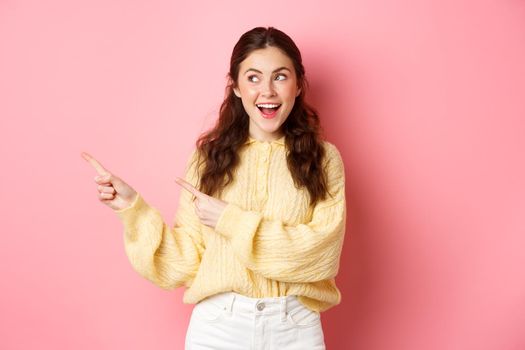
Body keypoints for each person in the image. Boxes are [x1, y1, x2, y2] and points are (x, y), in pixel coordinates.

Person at [81, 26, 346, 350]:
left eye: (280, 76)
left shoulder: (324, 159)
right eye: (253, 77)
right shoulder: (208, 159)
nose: (267, 91)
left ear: (298, 85)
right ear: (235, 86)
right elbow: (185, 260)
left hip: (295, 329)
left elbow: (320, 254)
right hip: (219, 328)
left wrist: (229, 221)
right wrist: (133, 209)